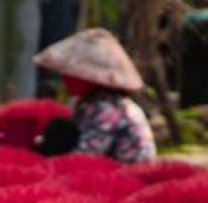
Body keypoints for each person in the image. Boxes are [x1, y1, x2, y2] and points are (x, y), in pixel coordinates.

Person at [33, 27, 156, 164]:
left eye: (72, 74)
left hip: (125, 177)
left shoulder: (109, 110)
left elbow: (85, 158)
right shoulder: (82, 102)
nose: (66, 79)